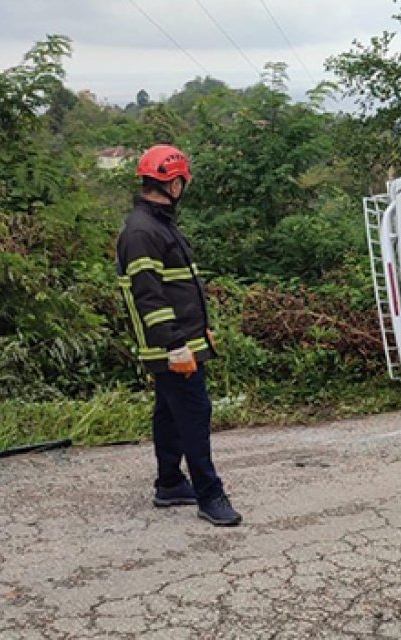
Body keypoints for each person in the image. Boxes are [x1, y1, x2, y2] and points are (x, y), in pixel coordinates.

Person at [116, 144, 242, 526]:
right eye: (182, 182)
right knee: (194, 412)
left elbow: (180, 286)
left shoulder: (159, 224)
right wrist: (174, 345)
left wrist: (199, 328)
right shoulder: (142, 231)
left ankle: (170, 482)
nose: (183, 188)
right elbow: (148, 295)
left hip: (184, 336)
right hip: (171, 343)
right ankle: (209, 494)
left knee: (170, 413)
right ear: (172, 183)